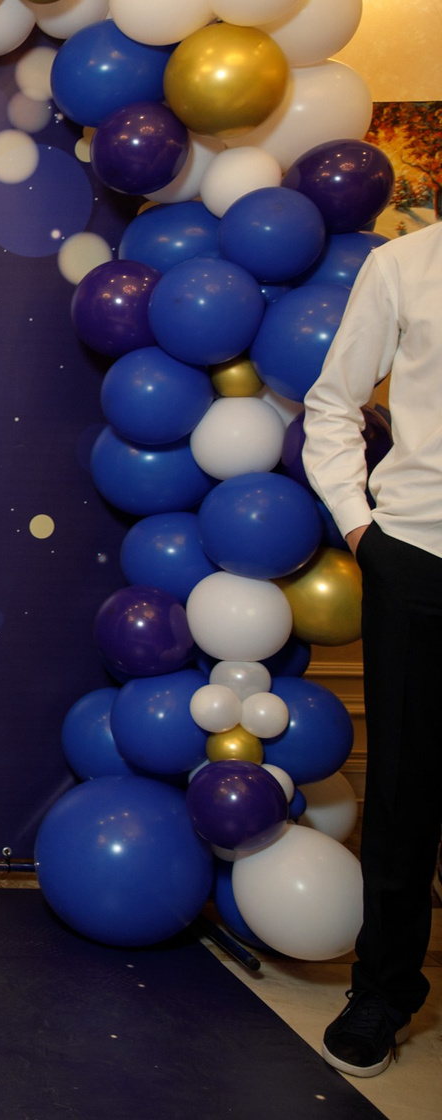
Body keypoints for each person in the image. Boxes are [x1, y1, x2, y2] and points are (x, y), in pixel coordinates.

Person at [302, 220, 442, 1078]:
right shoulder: (404, 264)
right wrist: (362, 529)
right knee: (402, 788)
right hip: (420, 557)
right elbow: (332, 402)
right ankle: (384, 992)